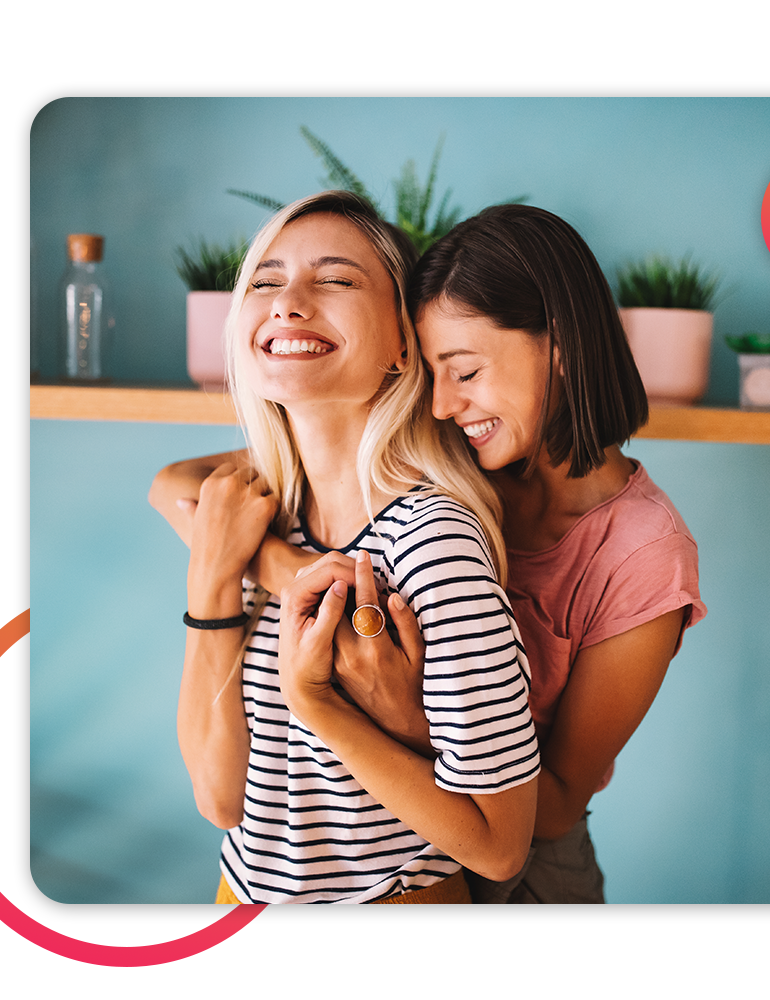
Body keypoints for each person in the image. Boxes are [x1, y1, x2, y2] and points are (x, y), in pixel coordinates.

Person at [156, 202, 706, 904]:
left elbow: (552, 806)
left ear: (559, 349)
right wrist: (296, 583)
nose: (441, 404)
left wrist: (396, 709)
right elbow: (176, 485)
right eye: (432, 368)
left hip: (530, 861)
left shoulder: (639, 553)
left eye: (466, 371)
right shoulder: (470, 453)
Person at [150, 191, 539, 904]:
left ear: (403, 341)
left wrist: (313, 693)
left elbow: (500, 847)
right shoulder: (259, 513)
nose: (288, 302)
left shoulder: (434, 544)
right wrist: (216, 577)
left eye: (335, 279)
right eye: (264, 281)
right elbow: (220, 800)